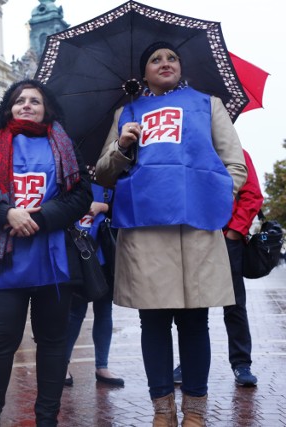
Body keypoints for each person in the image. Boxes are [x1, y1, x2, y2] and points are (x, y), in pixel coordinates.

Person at [95, 42, 247, 426]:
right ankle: (162, 410)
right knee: (155, 323)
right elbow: (103, 173)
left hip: (196, 229)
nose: (165, 63)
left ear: (181, 66)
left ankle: (194, 411)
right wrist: (122, 145)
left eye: (171, 58)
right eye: (155, 60)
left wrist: (214, 194)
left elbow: (235, 164)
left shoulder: (208, 105)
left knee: (196, 322)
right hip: (146, 234)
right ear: (143, 74)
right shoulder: (126, 113)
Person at [0, 80, 92, 426]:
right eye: (20, 101)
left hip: (52, 262)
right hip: (4, 264)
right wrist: (6, 212)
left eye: (35, 100)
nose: (28, 105)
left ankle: (47, 418)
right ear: (9, 108)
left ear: (47, 108)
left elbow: (80, 196)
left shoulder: (64, 146)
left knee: (52, 343)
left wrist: (44, 217)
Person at [174, 149, 263, 388]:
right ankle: (189, 362)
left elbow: (252, 195)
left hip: (226, 238)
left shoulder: (238, 153)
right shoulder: (187, 152)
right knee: (192, 304)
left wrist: (234, 232)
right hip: (194, 235)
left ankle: (242, 363)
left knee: (234, 304)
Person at [64, 183, 123, 388]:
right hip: (76, 251)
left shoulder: (110, 171)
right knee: (75, 312)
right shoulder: (72, 171)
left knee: (104, 309)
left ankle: (102, 365)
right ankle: (63, 364)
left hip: (103, 252)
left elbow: (125, 205)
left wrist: (103, 207)